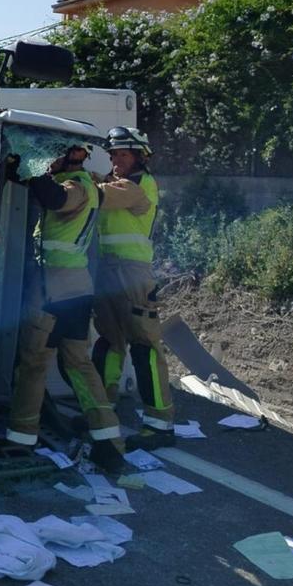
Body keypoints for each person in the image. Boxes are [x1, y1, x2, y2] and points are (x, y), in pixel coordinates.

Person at [3, 138, 126, 473]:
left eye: (51, 155)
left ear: (73, 156)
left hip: (54, 289)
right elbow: (34, 183)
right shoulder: (80, 183)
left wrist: (30, 165)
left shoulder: (77, 186)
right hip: (75, 287)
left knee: (33, 362)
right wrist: (16, 166)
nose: (47, 162)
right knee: (78, 365)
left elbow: (54, 198)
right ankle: (109, 444)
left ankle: (19, 441)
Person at [93, 126, 175, 450]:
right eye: (113, 155)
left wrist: (72, 180)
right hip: (109, 270)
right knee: (109, 343)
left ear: (139, 157)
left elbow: (99, 195)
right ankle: (102, 412)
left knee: (144, 348)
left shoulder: (139, 185)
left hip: (133, 275)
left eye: (123, 154)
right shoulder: (115, 181)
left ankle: (160, 425)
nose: (116, 160)